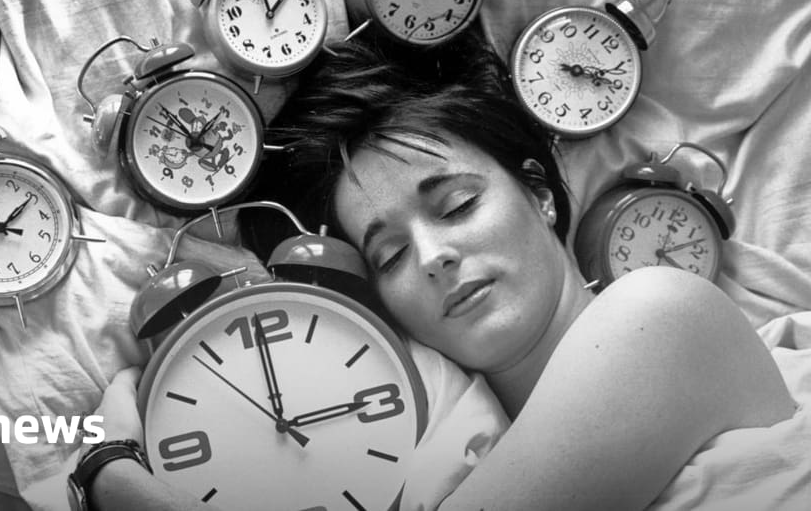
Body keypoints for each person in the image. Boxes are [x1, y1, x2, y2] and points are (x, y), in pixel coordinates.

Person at [84, 29, 797, 510]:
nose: (432, 257)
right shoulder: (440, 467)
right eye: (389, 255)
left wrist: (111, 472)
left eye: (457, 205)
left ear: (541, 194)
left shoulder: (658, 314)